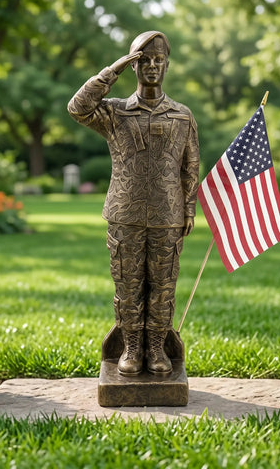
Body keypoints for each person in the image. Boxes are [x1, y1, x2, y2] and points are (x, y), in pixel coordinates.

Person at [67, 31, 199, 376]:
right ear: (134, 65)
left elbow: (191, 167)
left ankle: (156, 349)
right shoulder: (115, 113)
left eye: (159, 60)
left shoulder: (182, 116)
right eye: (144, 60)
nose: (152, 66)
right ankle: (130, 348)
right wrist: (111, 72)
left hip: (167, 215)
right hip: (124, 214)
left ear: (167, 65)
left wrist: (188, 209)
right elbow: (77, 107)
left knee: (162, 287)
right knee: (127, 286)